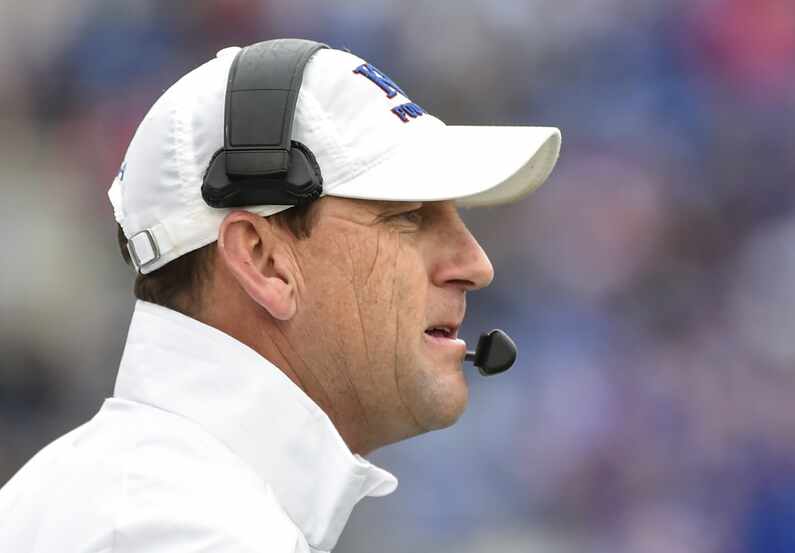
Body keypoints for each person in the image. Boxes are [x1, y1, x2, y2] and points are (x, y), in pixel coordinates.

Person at [0, 39, 560, 553]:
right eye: (408, 216)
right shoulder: (180, 529)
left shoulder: (149, 497)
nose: (476, 265)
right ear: (264, 261)